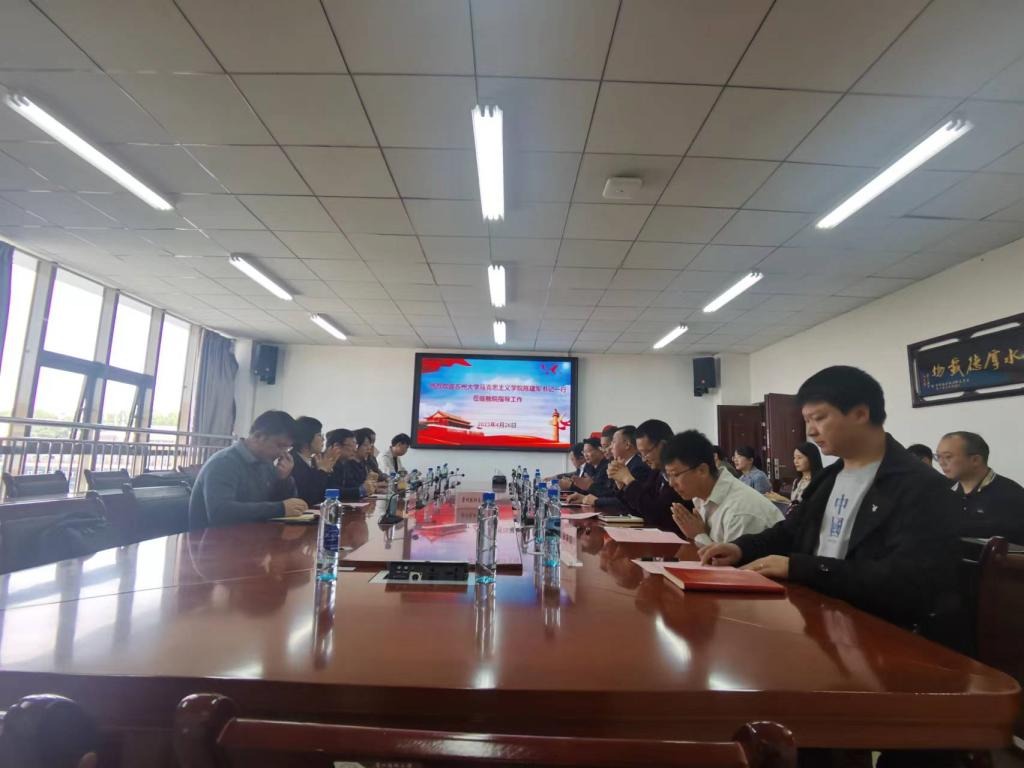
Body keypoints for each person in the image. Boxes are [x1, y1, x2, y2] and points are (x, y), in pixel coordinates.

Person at [699, 366, 962, 645]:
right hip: (816, 621)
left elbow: (906, 579)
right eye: (806, 420)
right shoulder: (829, 478)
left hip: (879, 636)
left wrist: (799, 567)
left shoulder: (921, 486)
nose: (811, 431)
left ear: (860, 413)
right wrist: (741, 548)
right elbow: (791, 531)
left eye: (819, 418)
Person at [662, 430, 783, 546]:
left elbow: (736, 560)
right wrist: (701, 534)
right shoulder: (700, 496)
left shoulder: (740, 512)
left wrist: (698, 535)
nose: (671, 483)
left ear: (702, 470)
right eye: (668, 476)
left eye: (675, 474)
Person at [189, 410, 307, 528]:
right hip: (213, 537)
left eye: (287, 448)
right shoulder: (224, 462)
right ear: (258, 436)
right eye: (280, 446)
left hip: (252, 534)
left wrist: (284, 479)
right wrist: (280, 508)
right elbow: (220, 513)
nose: (282, 453)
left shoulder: (266, 463)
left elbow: (287, 507)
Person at [937, 431, 1024, 544]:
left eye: (948, 457)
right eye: (938, 457)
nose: (941, 463)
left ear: (975, 460)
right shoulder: (941, 491)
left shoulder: (1011, 495)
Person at [616, 419, 687, 531]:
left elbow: (657, 515)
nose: (643, 459)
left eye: (646, 452)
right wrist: (623, 486)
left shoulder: (682, 472)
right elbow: (639, 511)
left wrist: (629, 480)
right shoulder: (656, 473)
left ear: (663, 446)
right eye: (641, 454)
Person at [572, 426, 652, 508]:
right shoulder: (622, 465)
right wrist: (584, 498)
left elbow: (627, 503)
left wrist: (596, 501)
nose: (610, 447)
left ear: (627, 445)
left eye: (613, 442)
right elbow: (613, 494)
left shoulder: (638, 467)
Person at [289, 416, 345, 507]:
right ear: (306, 438)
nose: (323, 439)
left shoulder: (313, 460)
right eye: (319, 435)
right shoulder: (291, 461)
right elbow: (308, 498)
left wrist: (329, 469)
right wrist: (322, 471)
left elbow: (329, 494)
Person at [325, 428, 375, 500]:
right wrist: (360, 491)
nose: (355, 450)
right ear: (337, 446)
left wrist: (368, 487)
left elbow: (351, 485)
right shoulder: (322, 463)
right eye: (351, 446)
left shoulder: (344, 463)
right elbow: (331, 490)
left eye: (355, 446)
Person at [767, 441, 823, 506]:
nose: (795, 461)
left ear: (811, 458)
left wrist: (783, 499)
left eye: (799, 457)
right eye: (794, 458)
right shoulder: (797, 481)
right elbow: (795, 504)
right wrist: (781, 498)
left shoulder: (819, 481)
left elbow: (809, 507)